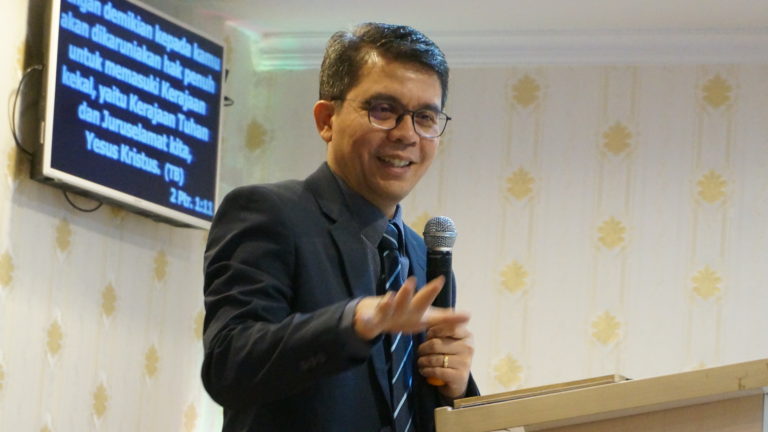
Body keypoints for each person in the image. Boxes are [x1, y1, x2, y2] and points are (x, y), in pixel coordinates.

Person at [202, 22, 479, 432]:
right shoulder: (268, 213)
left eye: (425, 117)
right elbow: (229, 365)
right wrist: (354, 321)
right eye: (383, 110)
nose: (407, 134)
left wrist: (456, 388)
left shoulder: (424, 256)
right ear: (326, 119)